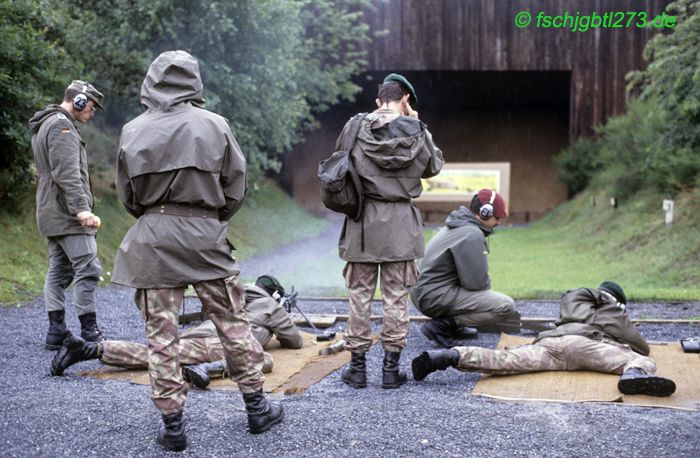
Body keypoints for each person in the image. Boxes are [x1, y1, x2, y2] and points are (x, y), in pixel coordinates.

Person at [111, 50, 281, 451]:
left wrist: (156, 215)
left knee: (161, 335)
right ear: (194, 82)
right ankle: (257, 408)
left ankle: (173, 428)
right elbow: (235, 186)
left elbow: (128, 196)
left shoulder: (132, 130)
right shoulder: (215, 125)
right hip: (205, 234)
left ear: (151, 81)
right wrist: (208, 217)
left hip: (153, 236)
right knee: (232, 323)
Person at [337, 73, 444, 390]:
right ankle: (390, 369)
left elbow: (340, 163)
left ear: (378, 100)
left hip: (363, 223)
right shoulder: (417, 130)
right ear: (406, 100)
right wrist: (418, 123)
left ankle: (357, 370)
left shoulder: (356, 126)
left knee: (359, 297)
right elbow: (434, 166)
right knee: (397, 298)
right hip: (400, 223)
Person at [412, 281, 677, 397]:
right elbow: (640, 344)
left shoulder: (575, 302)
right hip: (587, 347)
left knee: (503, 361)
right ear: (614, 300)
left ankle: (449, 356)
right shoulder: (609, 310)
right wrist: (619, 313)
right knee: (639, 360)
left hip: (550, 344)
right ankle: (631, 377)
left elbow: (572, 294)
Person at [50, 277, 304, 388]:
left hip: (198, 335)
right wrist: (281, 314)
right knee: (260, 358)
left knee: (159, 354)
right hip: (220, 343)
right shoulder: (271, 305)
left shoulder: (237, 294)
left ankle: (92, 349)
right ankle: (208, 369)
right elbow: (294, 341)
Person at [28, 80, 106, 350]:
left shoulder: (46, 124)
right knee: (89, 268)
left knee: (59, 270)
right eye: (91, 106)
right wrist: (81, 209)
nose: (92, 112)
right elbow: (67, 174)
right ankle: (89, 331)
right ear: (79, 101)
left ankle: (56, 332)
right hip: (66, 214)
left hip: (50, 210)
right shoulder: (62, 127)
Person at [410, 189, 517, 348]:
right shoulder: (471, 233)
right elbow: (477, 284)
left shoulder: (459, 226)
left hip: (426, 294)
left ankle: (452, 326)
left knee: (488, 298)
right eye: (498, 217)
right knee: (505, 306)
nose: (499, 222)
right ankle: (443, 325)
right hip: (433, 297)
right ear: (485, 212)